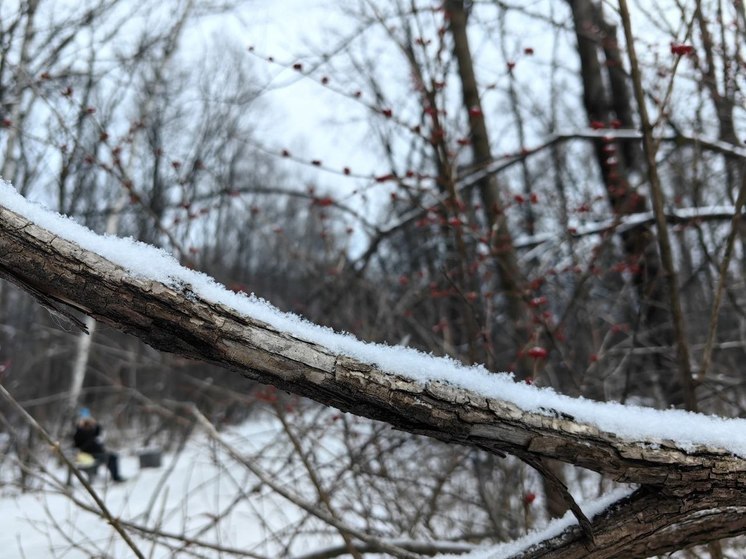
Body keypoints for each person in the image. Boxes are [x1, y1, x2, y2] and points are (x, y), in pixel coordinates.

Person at [73, 408, 125, 482]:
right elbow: (79, 445)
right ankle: (115, 477)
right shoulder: (79, 433)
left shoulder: (91, 430)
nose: (87, 425)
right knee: (112, 458)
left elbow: (98, 432)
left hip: (97, 453)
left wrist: (95, 424)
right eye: (86, 423)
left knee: (112, 457)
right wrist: (81, 427)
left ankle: (115, 476)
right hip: (89, 455)